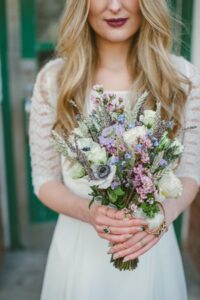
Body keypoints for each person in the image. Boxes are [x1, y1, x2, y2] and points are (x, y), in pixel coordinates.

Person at [29, 0, 200, 299]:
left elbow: (190, 173)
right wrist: (90, 212)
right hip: (79, 255)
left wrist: (161, 216)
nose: (115, 6)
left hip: (152, 251)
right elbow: (44, 180)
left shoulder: (182, 78)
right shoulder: (55, 80)